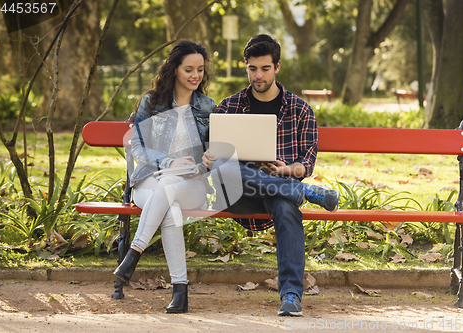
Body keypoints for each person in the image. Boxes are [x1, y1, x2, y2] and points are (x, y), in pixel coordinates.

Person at [203, 34, 339, 317]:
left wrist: (285, 170)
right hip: (238, 194)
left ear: (277, 67)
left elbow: (305, 165)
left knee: (286, 207)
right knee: (224, 166)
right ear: (246, 67)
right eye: (252, 68)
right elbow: (212, 159)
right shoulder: (228, 107)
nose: (258, 75)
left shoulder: (300, 110)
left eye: (265, 68)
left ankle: (290, 295)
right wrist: (208, 158)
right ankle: (307, 194)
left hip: (279, 191)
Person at [114, 40, 216, 314]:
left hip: (191, 183)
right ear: (174, 70)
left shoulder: (208, 107)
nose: (196, 75)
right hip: (151, 178)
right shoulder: (153, 102)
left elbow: (214, 154)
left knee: (171, 187)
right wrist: (168, 161)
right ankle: (180, 292)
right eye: (189, 69)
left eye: (200, 70)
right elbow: (137, 146)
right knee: (169, 208)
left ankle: (133, 254)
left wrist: (207, 161)